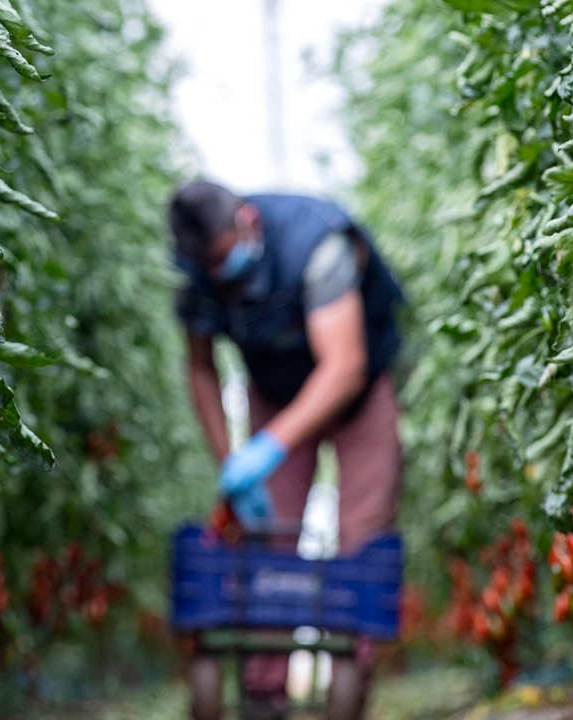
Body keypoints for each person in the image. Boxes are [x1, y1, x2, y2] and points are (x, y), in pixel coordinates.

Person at [169, 180, 405, 720]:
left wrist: (268, 448)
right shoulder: (196, 272)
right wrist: (232, 459)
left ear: (247, 222)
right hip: (274, 392)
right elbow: (201, 367)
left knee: (360, 540)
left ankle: (352, 680)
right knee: (268, 540)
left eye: (224, 257)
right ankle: (264, 696)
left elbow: (344, 367)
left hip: (359, 392)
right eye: (208, 264)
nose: (218, 271)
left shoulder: (318, 245)